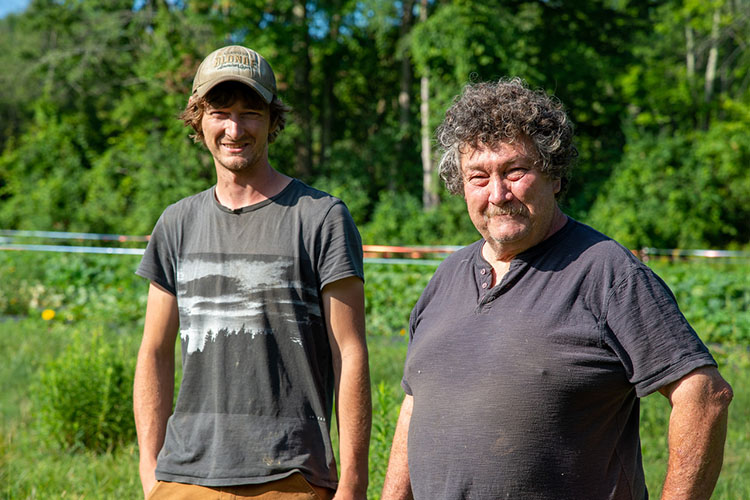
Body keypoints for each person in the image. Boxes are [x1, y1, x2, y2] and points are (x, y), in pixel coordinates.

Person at [381, 78, 733, 500]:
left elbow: (704, 396)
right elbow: (415, 406)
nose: (497, 194)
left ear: (554, 175)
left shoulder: (606, 272)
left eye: (515, 171)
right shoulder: (446, 278)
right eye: (478, 176)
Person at [133, 45, 371, 500]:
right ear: (198, 118)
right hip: (184, 477)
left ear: (273, 121)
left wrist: (354, 484)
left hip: (291, 476)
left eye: (251, 113)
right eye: (220, 112)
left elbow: (350, 353)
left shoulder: (321, 218)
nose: (234, 129)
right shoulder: (177, 222)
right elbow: (154, 351)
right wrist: (151, 471)